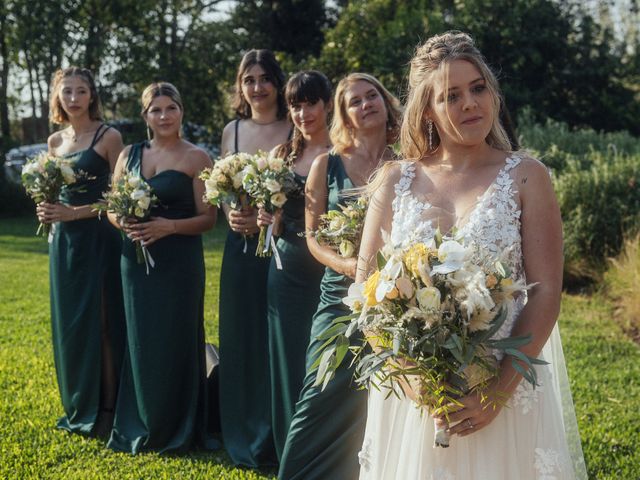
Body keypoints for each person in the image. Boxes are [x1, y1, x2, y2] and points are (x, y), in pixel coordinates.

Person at [355, 31, 587, 479]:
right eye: (451, 96)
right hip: (412, 394)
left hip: (502, 381)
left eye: (478, 88)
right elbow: (365, 295)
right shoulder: (394, 180)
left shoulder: (526, 176)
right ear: (427, 110)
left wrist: (495, 395)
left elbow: (545, 294)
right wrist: (412, 378)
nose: (470, 104)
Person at [278, 73, 402, 480]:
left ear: (385, 103)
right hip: (340, 295)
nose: (365, 104)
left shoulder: (410, 160)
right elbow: (312, 238)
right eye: (354, 101)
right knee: (319, 390)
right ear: (343, 114)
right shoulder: (325, 164)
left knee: (378, 397)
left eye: (372, 96)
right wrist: (353, 268)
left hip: (397, 295)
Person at [106, 82, 217, 454]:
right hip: (134, 263)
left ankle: (178, 423)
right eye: (157, 110)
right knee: (141, 340)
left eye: (171, 108)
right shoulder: (128, 155)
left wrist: (167, 226)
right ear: (145, 116)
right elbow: (109, 208)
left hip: (179, 265)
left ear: (181, 112)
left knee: (177, 338)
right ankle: (142, 418)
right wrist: (127, 224)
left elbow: (208, 219)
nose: (165, 116)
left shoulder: (197, 158)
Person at [37, 67, 125, 438]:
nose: (73, 98)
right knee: (71, 325)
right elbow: (52, 193)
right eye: (67, 92)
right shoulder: (55, 142)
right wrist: (45, 208)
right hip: (65, 244)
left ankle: (107, 407)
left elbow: (121, 198)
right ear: (58, 98)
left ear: (92, 96)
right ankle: (78, 401)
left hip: (100, 237)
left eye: (81, 91)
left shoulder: (109, 137)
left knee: (103, 322)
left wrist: (75, 213)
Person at [217, 49, 291, 467]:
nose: (257, 87)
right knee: (241, 335)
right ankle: (243, 429)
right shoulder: (233, 131)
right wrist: (231, 213)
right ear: (240, 86)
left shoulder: (293, 125)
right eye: (249, 79)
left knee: (276, 336)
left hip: (282, 249)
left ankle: (278, 430)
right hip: (241, 247)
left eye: (265, 78)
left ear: (278, 82)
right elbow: (223, 187)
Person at [256, 71, 332, 460]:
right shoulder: (280, 156)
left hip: (331, 272)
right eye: (296, 105)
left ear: (327, 104)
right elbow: (270, 215)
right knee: (288, 359)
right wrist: (264, 218)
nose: (304, 113)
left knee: (324, 363)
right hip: (286, 272)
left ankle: (326, 450)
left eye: (311, 103)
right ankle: (291, 450)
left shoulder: (342, 151)